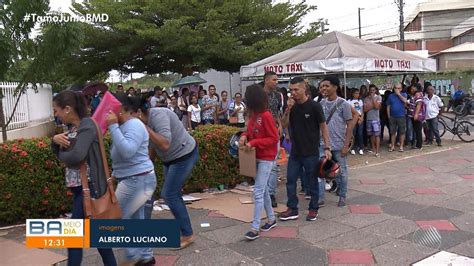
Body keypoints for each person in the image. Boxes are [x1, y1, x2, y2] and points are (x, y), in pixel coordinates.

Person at [51, 91, 117, 266]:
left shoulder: (87, 125)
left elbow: (76, 156)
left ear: (67, 109)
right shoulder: (73, 128)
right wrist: (55, 142)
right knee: (99, 238)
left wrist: (63, 151)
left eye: (56, 110)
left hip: (90, 189)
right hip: (81, 189)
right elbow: (64, 155)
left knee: (73, 237)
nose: (55, 114)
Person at [138, 103, 199, 249]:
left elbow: (164, 143)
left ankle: (187, 234)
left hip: (184, 155)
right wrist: (147, 166)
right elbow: (153, 145)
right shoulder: (145, 121)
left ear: (139, 112)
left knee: (169, 194)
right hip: (170, 159)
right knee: (172, 194)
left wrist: (145, 128)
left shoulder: (158, 115)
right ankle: (184, 229)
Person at [106, 97, 156, 265]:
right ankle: (145, 256)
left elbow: (127, 151)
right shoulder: (125, 126)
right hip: (136, 177)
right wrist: (114, 174)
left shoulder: (133, 125)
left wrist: (112, 126)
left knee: (117, 217)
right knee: (136, 219)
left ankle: (132, 257)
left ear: (121, 110)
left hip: (137, 179)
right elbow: (122, 156)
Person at [280, 77, 331, 221]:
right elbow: (283, 125)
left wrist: (327, 147)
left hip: (311, 152)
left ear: (304, 89)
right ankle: (292, 208)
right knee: (290, 180)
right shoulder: (291, 106)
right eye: (291, 90)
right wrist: (288, 110)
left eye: (296, 90)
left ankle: (313, 208)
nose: (293, 93)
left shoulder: (314, 106)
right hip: (295, 152)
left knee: (312, 181)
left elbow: (323, 126)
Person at [239, 84, 279, 240]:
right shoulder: (255, 114)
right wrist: (244, 136)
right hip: (256, 155)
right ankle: (271, 218)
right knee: (261, 190)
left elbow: (273, 138)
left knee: (258, 191)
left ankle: (255, 227)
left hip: (266, 157)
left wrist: (253, 143)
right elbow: (249, 130)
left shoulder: (267, 116)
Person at [319, 76, 357, 207]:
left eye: (327, 86)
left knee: (342, 172)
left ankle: (342, 196)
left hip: (339, 144)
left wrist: (346, 145)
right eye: (322, 86)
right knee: (320, 171)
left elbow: (350, 125)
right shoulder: (321, 104)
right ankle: (320, 197)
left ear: (335, 87)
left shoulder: (344, 104)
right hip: (323, 145)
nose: (323, 88)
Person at [263, 71, 284, 208]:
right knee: (264, 163)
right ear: (266, 80)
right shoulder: (258, 95)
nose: (276, 82)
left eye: (277, 80)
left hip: (275, 130)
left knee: (274, 164)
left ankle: (271, 193)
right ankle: (264, 191)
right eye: (274, 80)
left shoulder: (277, 95)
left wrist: (281, 125)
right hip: (263, 131)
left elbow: (277, 112)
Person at [387, 83, 409, 152]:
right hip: (393, 116)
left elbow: (405, 101)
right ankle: (392, 146)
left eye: (399, 88)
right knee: (393, 132)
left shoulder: (404, 94)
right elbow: (388, 106)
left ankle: (401, 146)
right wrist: (388, 116)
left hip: (401, 116)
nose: (397, 89)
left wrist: (399, 94)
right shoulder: (391, 96)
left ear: (401, 89)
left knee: (402, 132)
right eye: (396, 88)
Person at [363, 84, 382, 157]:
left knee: (377, 135)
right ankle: (373, 149)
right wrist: (372, 105)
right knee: (371, 135)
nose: (372, 92)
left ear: (376, 90)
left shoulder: (379, 97)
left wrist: (373, 99)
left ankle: (377, 151)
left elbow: (377, 107)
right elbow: (365, 109)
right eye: (371, 90)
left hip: (376, 119)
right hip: (369, 119)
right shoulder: (366, 99)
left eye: (373, 90)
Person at [408, 84, 424, 150]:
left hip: (417, 115)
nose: (411, 90)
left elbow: (419, 104)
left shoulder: (418, 95)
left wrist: (416, 114)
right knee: (416, 130)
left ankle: (419, 145)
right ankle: (417, 144)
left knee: (418, 130)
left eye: (412, 88)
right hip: (413, 114)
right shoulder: (414, 95)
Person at [348, 88, 364, 155]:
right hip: (352, 119)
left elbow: (362, 111)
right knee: (353, 133)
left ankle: (360, 147)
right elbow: (349, 111)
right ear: (352, 94)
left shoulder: (360, 101)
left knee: (359, 133)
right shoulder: (349, 101)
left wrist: (361, 118)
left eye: (358, 93)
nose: (357, 95)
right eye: (356, 93)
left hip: (359, 118)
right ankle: (352, 148)